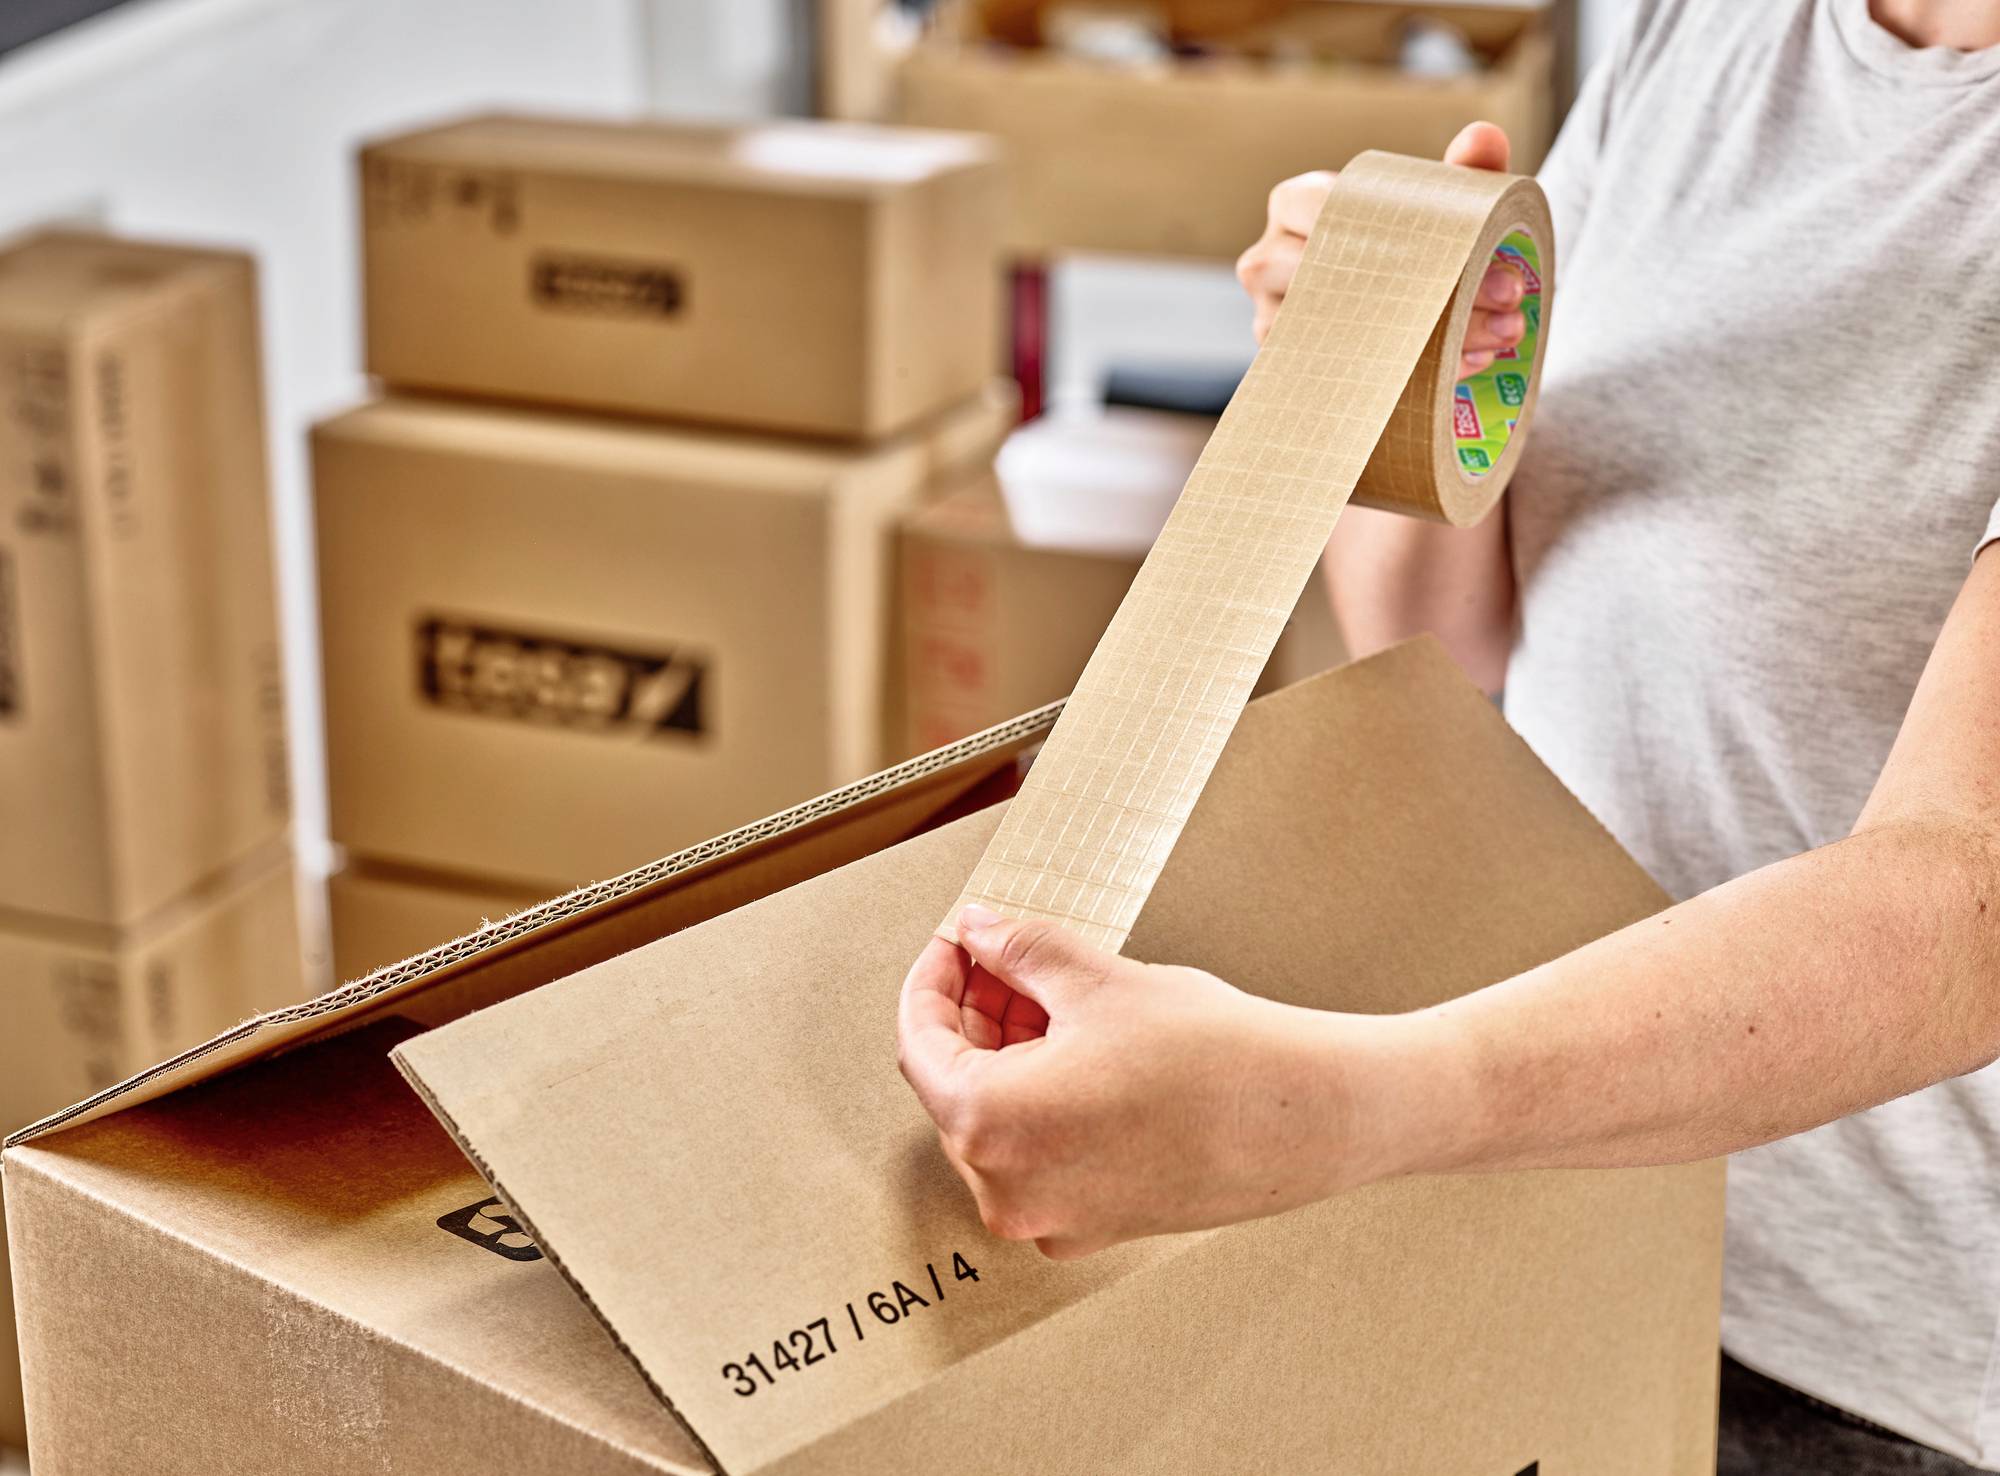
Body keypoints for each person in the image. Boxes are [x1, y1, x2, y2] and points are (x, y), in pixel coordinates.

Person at [894, 0, 2000, 1471]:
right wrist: (1388, 373)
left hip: (1870, 1369)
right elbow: (1446, 637)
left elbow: (1967, 897)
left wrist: (1337, 1110)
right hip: (1538, 1204)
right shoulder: (1716, 29)